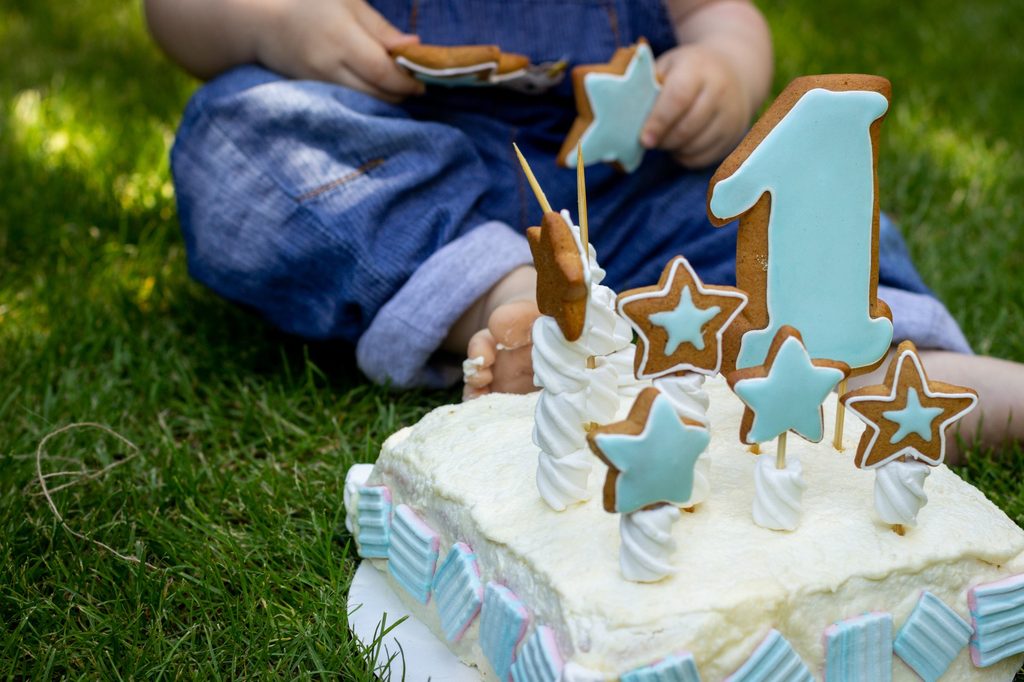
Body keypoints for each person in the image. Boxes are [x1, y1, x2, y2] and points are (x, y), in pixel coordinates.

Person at [145, 0, 1021, 458]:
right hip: (405, 172)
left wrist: (720, 66)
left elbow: (721, 12)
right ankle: (513, 301)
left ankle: (903, 371)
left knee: (791, 199)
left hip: (632, 192)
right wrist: (275, 21)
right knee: (238, 128)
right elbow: (178, 13)